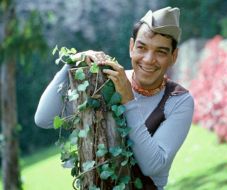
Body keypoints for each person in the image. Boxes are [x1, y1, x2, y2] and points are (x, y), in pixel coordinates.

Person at [35, 7, 194, 189]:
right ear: (131, 47)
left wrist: (128, 99)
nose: (149, 59)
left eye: (161, 52)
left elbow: (153, 166)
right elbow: (44, 119)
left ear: (174, 56)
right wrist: (70, 64)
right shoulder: (105, 83)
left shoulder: (179, 100)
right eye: (142, 47)